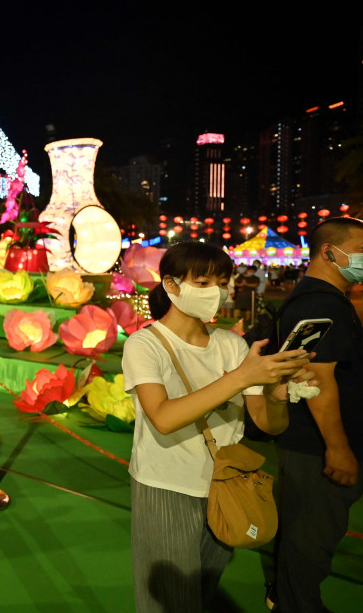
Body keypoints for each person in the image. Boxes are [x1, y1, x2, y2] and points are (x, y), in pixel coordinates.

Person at [121, 242, 313, 613]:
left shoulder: (232, 345)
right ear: (172, 285)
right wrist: (241, 378)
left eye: (223, 282)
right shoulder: (145, 345)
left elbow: (268, 424)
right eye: (204, 281)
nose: (217, 291)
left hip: (226, 485)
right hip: (166, 486)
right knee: (171, 601)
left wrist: (276, 391)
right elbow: (162, 418)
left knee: (203, 592)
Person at [271, 218, 363, 613]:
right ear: (329, 252)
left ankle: (285, 597)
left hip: (313, 446)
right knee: (311, 541)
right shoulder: (319, 303)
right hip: (317, 449)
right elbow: (316, 379)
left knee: (303, 537)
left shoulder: (326, 299)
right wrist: (339, 449)